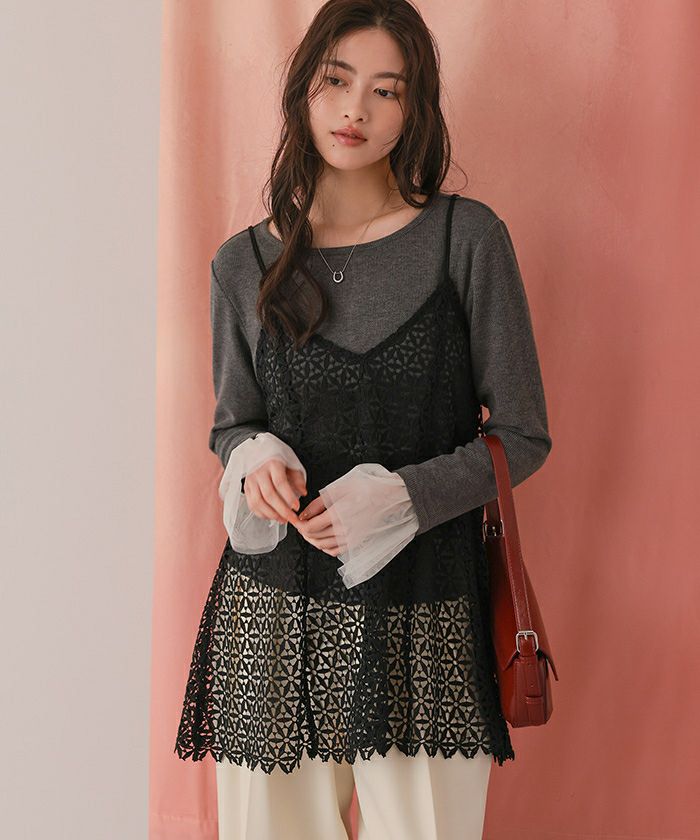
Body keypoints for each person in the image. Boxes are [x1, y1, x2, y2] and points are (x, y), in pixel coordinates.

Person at [174, 1, 552, 838]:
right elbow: (231, 424)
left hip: (426, 618)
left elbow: (523, 434)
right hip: (272, 622)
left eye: (386, 90)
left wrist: (407, 497)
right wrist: (254, 457)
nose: (355, 110)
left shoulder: (465, 239)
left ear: (414, 110)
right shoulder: (243, 263)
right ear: (302, 90)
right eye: (337, 80)